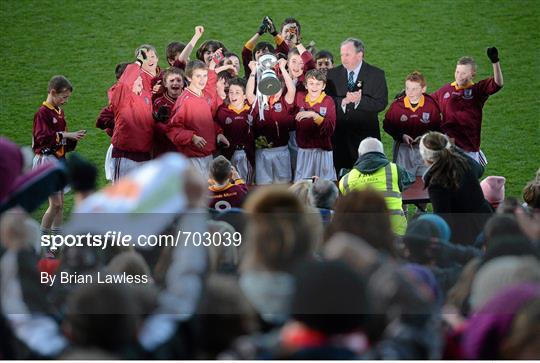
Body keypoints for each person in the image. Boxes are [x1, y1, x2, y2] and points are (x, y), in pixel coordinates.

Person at [32, 75, 86, 236]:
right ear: (53, 92)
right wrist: (66, 135)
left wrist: (72, 139)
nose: (66, 101)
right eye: (64, 97)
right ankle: (44, 240)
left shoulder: (59, 112)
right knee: (55, 204)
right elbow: (42, 138)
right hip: (47, 162)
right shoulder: (42, 113)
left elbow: (61, 139)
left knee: (60, 205)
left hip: (59, 160)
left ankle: (56, 241)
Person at [431, 48, 503, 165]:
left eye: (463, 73)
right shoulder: (445, 90)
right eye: (457, 72)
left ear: (473, 74)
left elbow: (498, 84)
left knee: (468, 180)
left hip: (469, 147)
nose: (459, 76)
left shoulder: (477, 90)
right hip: (449, 145)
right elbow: (427, 102)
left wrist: (495, 62)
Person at [326, 38, 388, 175]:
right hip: (340, 139)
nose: (343, 58)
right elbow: (326, 100)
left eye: (347, 54)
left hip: (366, 138)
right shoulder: (331, 75)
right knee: (342, 179)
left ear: (359, 55)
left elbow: (381, 103)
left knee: (368, 179)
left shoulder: (376, 74)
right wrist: (343, 101)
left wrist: (360, 101)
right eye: (341, 55)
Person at [419, 131, 493, 244]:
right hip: (485, 220)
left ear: (427, 158)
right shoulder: (464, 162)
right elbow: (479, 169)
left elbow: (443, 218)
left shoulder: (437, 182)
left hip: (463, 234)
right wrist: (451, 149)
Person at [166, 58, 230, 177]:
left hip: (207, 155)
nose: (202, 80)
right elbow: (172, 129)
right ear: (189, 78)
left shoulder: (203, 95)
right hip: (193, 159)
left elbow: (207, 122)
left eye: (204, 76)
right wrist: (192, 137)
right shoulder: (185, 101)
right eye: (198, 76)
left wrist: (218, 133)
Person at [339, 137, 413, 235]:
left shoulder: (345, 179)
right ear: (382, 154)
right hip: (395, 234)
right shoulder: (395, 170)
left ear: (359, 155)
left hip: (361, 237)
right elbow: (410, 180)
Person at [110, 44, 159, 182]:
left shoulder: (146, 95)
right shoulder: (121, 96)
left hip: (145, 156)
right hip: (126, 156)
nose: (139, 79)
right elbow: (124, 84)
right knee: (122, 200)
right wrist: (137, 62)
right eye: (135, 76)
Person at [246, 59, 296, 185]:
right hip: (263, 153)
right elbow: (248, 93)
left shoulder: (284, 102)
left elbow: (292, 90)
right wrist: (253, 72)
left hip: (282, 150)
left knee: (284, 185)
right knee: (264, 185)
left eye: (276, 87)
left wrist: (283, 68)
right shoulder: (258, 103)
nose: (273, 91)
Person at [383, 71, 441, 177]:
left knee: (425, 182)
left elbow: (438, 128)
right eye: (407, 88)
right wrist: (401, 136)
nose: (410, 92)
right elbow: (387, 125)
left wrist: (425, 137)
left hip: (425, 150)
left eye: (414, 89)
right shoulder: (397, 106)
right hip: (403, 150)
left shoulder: (431, 106)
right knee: (403, 181)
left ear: (423, 89)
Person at [293, 69, 337, 181]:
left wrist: (314, 115)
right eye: (311, 83)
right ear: (306, 85)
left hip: (323, 151)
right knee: (303, 186)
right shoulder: (299, 97)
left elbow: (330, 128)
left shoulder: (328, 101)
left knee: (325, 186)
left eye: (318, 84)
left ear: (323, 86)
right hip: (304, 151)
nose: (314, 87)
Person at [215, 77, 255, 184]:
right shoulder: (223, 111)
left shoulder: (251, 111)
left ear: (245, 95)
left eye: (237, 92)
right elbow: (215, 126)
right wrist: (218, 133)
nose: (233, 95)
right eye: (231, 92)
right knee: (229, 184)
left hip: (247, 154)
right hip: (229, 154)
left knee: (246, 184)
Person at [152, 67, 185, 157]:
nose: (175, 83)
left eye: (178, 80)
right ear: (165, 84)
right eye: (171, 80)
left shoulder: (190, 100)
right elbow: (154, 128)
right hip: (166, 152)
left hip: (187, 151)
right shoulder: (159, 102)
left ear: (183, 84)